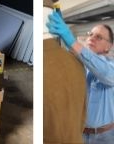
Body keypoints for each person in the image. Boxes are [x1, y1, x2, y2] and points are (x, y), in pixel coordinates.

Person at [47, 12, 114, 143]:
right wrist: (61, 40)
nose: (92, 38)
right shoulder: (80, 64)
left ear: (109, 46)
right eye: (90, 34)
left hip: (104, 136)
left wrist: (71, 40)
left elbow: (105, 73)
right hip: (79, 133)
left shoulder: (110, 66)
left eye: (99, 37)